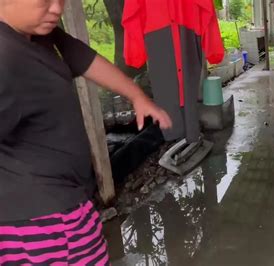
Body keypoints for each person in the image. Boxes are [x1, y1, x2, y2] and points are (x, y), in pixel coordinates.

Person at [0, 0, 172, 265]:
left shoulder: (35, 34)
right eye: (45, 1)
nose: (57, 9)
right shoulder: (5, 55)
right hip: (40, 225)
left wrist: (136, 95)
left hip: (66, 206)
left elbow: (81, 56)